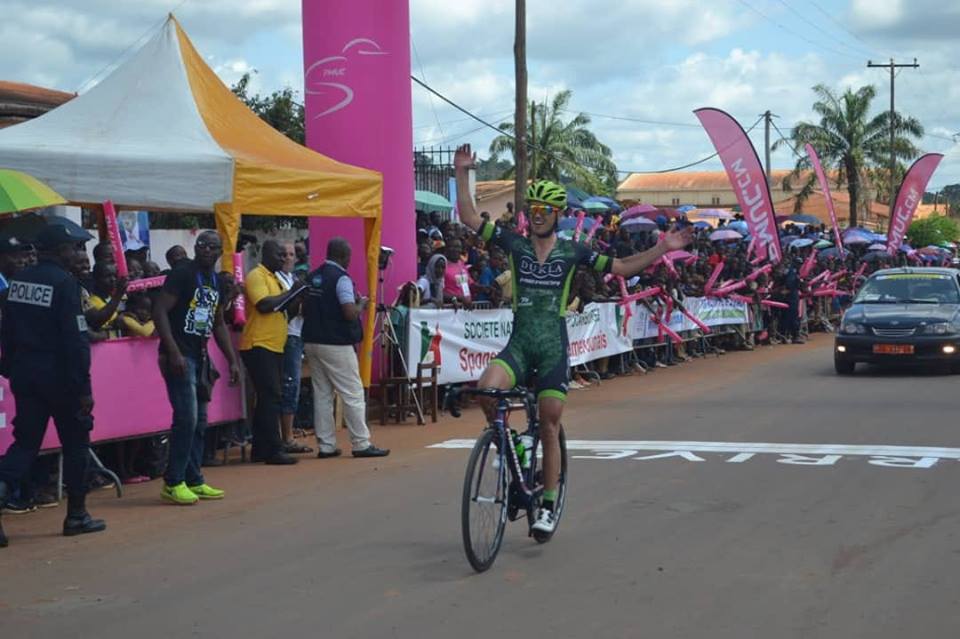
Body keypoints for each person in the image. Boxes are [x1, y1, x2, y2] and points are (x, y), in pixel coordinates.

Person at [453, 143, 692, 534]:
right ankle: (511, 445)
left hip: (552, 347)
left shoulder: (573, 250)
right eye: (533, 210)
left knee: (549, 423)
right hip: (519, 341)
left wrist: (662, 247)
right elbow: (466, 215)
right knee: (485, 390)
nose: (538, 215)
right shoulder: (514, 244)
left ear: (558, 215)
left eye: (545, 211)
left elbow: (621, 267)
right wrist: (463, 172)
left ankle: (546, 505)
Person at [0, 222, 104, 547]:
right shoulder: (65, 284)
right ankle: (76, 515)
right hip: (61, 379)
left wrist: (10, 368)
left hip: (26, 375)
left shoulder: (17, 283)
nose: (79, 254)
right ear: (60, 250)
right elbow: (76, 341)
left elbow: (7, 331)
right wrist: (84, 388)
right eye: (76, 248)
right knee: (76, 445)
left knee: (25, 445)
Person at [153, 231, 241, 505]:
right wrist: (173, 350)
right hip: (179, 357)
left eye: (212, 247)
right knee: (186, 418)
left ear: (219, 252)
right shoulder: (182, 273)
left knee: (200, 422)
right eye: (202, 245)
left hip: (200, 357)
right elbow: (159, 311)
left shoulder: (214, 280)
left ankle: (194, 479)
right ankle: (173, 481)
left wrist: (231, 359)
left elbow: (216, 323)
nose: (206, 250)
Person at [301, 238, 389, 459]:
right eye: (349, 256)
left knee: (322, 394)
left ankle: (326, 445)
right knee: (353, 392)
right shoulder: (341, 279)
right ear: (343, 256)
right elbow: (349, 312)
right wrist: (362, 304)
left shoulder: (314, 277)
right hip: (336, 343)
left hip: (312, 341)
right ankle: (360, 443)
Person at [239, 240, 304, 465]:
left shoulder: (276, 279)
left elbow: (286, 310)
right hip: (258, 344)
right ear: (266, 255)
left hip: (275, 345)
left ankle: (260, 448)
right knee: (272, 396)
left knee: (268, 397)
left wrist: (299, 296)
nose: (283, 258)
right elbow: (264, 305)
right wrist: (291, 293)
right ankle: (274, 449)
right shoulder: (257, 276)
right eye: (279, 255)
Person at [276, 242, 312, 455]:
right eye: (285, 254)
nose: (288, 258)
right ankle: (286, 437)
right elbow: (285, 307)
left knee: (293, 385)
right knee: (289, 384)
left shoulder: (294, 279)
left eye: (291, 254)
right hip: (286, 335)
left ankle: (287, 435)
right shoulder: (277, 280)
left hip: (298, 334)